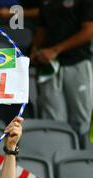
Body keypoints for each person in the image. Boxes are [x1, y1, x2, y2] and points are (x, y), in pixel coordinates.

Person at [31, 0, 93, 143]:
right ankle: (56, 156)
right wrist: (35, 50)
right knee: (52, 118)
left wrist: (56, 49)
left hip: (77, 63)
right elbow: (42, 29)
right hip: (49, 65)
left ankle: (81, 159)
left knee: (81, 118)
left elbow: (89, 30)